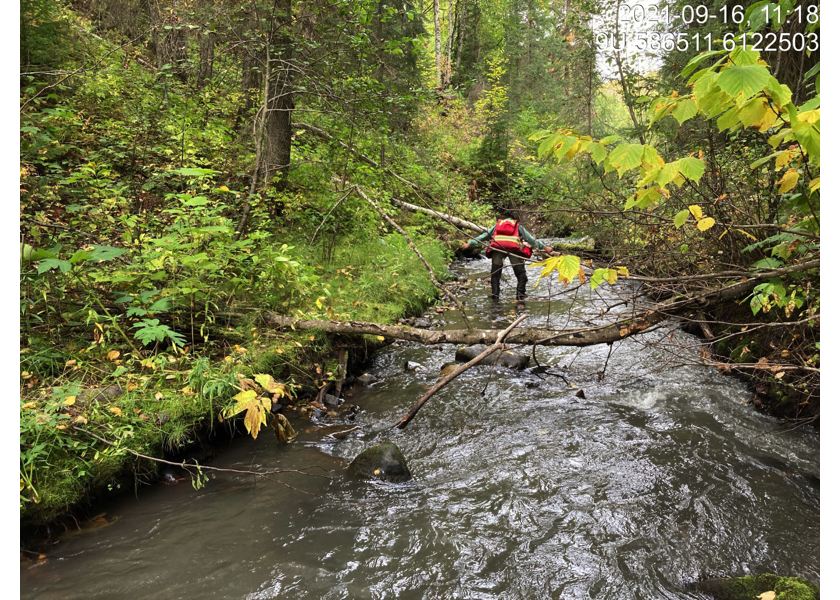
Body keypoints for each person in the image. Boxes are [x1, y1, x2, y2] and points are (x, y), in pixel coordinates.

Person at [461, 218, 553, 300]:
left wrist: (469, 244)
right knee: (521, 276)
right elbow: (531, 240)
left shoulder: (496, 226)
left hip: (497, 249)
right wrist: (545, 247)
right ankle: (520, 297)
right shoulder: (518, 227)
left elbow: (483, 236)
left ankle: (495, 297)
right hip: (514, 250)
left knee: (495, 275)